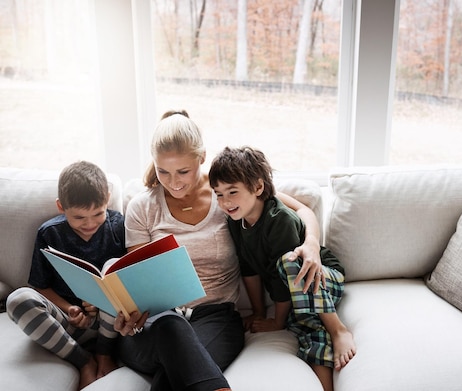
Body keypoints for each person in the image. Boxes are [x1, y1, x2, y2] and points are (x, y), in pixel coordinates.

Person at [114, 110, 325, 391]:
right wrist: (129, 316)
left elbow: (300, 208)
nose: (173, 182)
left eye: (183, 172)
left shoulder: (226, 195)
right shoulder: (143, 207)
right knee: (170, 327)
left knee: (174, 372)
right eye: (163, 171)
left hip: (216, 318)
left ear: (201, 158)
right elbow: (138, 282)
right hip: (155, 322)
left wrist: (311, 243)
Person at [208, 146, 357, 391]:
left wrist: (277, 321)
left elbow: (285, 277)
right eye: (219, 194)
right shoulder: (235, 222)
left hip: (324, 278)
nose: (225, 202)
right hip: (299, 293)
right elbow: (248, 269)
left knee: (290, 261)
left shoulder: (279, 219)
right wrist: (257, 311)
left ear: (257, 188)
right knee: (309, 327)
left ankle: (338, 329)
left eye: (232, 192)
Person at [6, 161, 124, 390]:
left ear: (107, 198)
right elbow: (41, 287)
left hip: (111, 322)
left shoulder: (118, 225)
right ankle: (83, 361)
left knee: (114, 268)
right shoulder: (50, 233)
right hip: (68, 324)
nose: (89, 223)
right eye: (79, 218)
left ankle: (104, 354)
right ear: (61, 207)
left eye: (98, 214)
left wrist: (101, 302)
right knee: (18, 299)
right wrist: (69, 309)